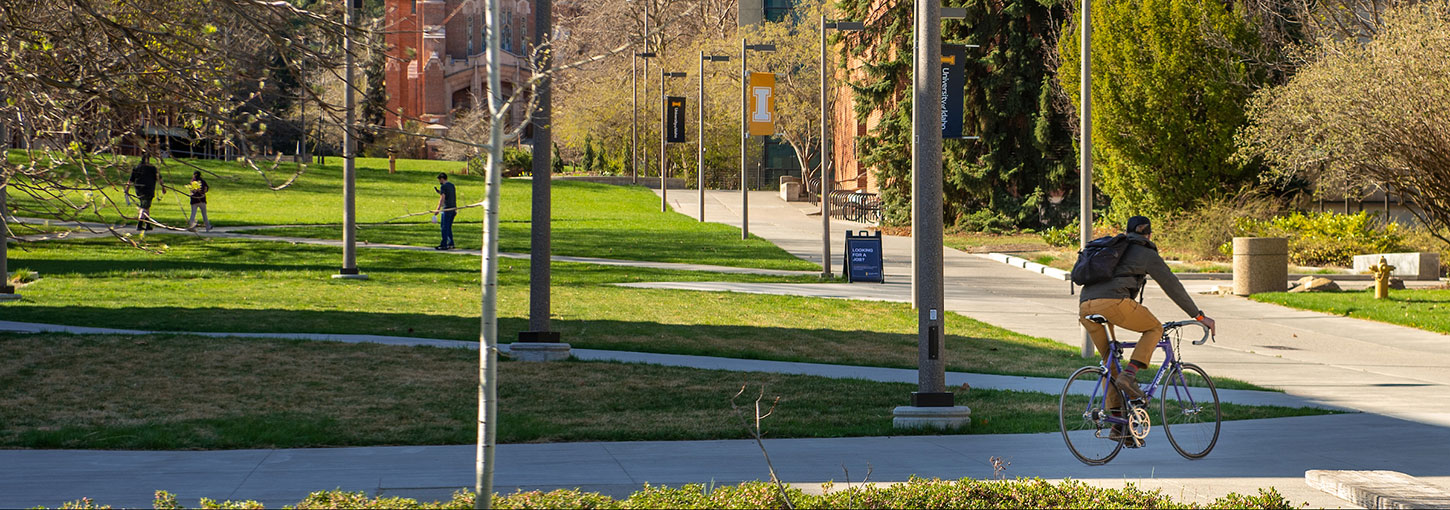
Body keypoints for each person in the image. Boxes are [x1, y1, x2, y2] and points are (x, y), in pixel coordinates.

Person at [1077, 216, 1216, 446]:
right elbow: (1173, 286)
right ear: (1149, 235)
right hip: (1112, 302)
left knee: (1109, 364)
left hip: (1085, 307)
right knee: (1154, 328)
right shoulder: (1146, 253)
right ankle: (1130, 375)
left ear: (1128, 232)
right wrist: (1199, 316)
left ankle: (1118, 426)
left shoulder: (1115, 248)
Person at [124, 154, 163, 231]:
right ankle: (140, 224)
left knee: (146, 206)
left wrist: (127, 189)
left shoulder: (137, 168)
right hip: (149, 189)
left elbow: (131, 180)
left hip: (139, 190)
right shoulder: (152, 168)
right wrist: (163, 187)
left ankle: (147, 224)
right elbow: (159, 178)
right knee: (144, 207)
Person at [433, 172, 456, 250]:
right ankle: (451, 243)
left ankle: (444, 244)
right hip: (453, 208)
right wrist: (440, 192)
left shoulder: (443, 186)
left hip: (446, 209)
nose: (439, 181)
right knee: (448, 227)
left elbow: (442, 199)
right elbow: (449, 195)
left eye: (439, 180)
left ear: (442, 179)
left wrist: (437, 209)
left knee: (444, 227)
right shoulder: (452, 185)